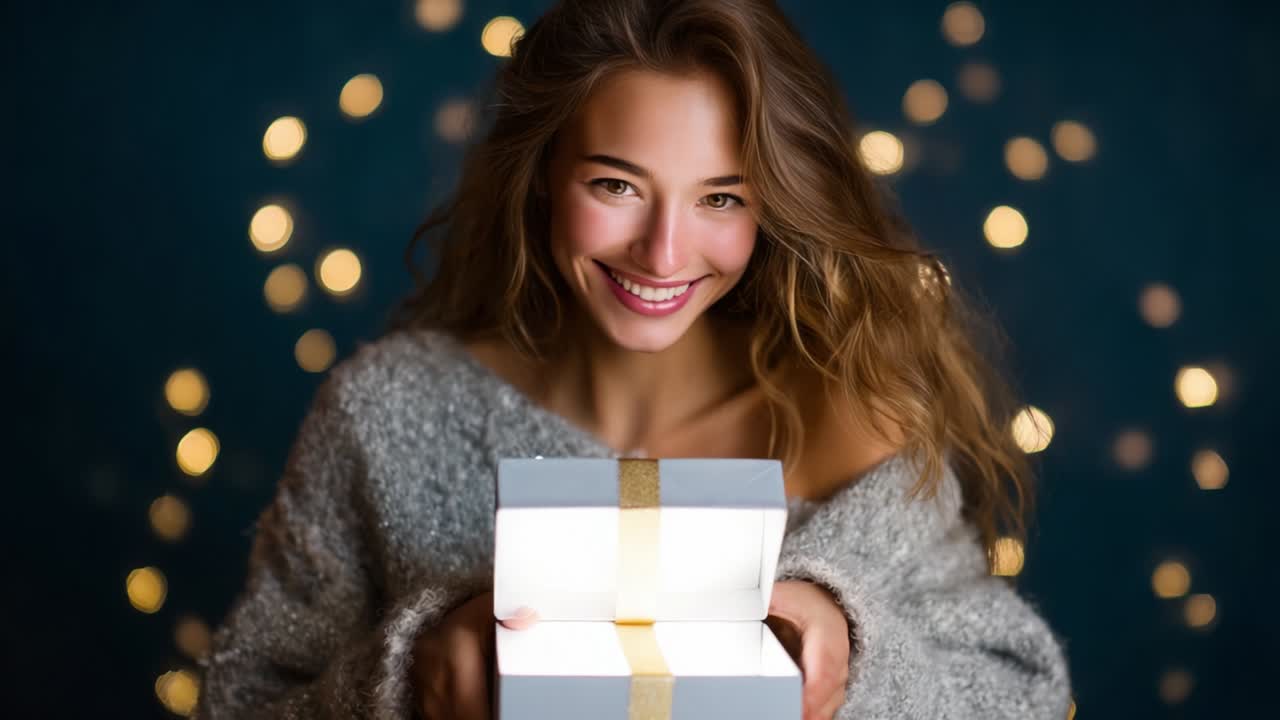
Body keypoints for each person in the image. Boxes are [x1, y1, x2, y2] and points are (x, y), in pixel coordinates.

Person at [195, 0, 1072, 718]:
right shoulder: (382, 416)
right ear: (541, 173)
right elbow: (241, 702)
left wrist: (855, 658)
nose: (662, 253)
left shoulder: (858, 428)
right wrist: (403, 686)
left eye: (720, 198)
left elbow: (1023, 693)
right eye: (616, 184)